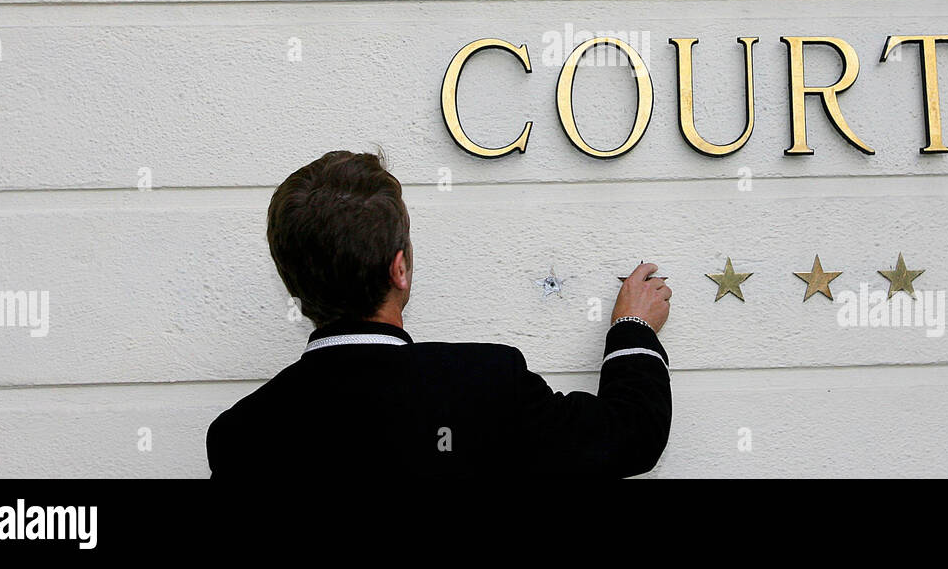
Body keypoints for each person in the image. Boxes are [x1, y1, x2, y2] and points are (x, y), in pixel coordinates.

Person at [207, 150, 673, 478]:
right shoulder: (487, 384)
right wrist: (632, 330)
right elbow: (630, 436)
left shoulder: (241, 437)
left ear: (291, 282)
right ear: (400, 268)